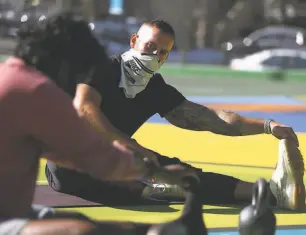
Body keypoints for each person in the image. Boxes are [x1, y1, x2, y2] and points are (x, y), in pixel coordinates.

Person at [45, 19, 305, 211]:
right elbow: (85, 109)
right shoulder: (100, 67)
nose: (155, 55)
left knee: (184, 174)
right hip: (70, 165)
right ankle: (151, 183)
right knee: (140, 186)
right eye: (150, 46)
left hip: (121, 157)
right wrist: (131, 147)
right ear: (134, 41)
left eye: (163, 52)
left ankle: (270, 192)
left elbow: (208, 118)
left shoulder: (154, 87)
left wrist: (268, 126)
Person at [0, 12, 202, 235]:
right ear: (65, 63)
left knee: (78, 222)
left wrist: (148, 172)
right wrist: (154, 171)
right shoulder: (35, 90)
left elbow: (68, 153)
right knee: (79, 230)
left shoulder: (11, 77)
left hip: (12, 213)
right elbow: (89, 154)